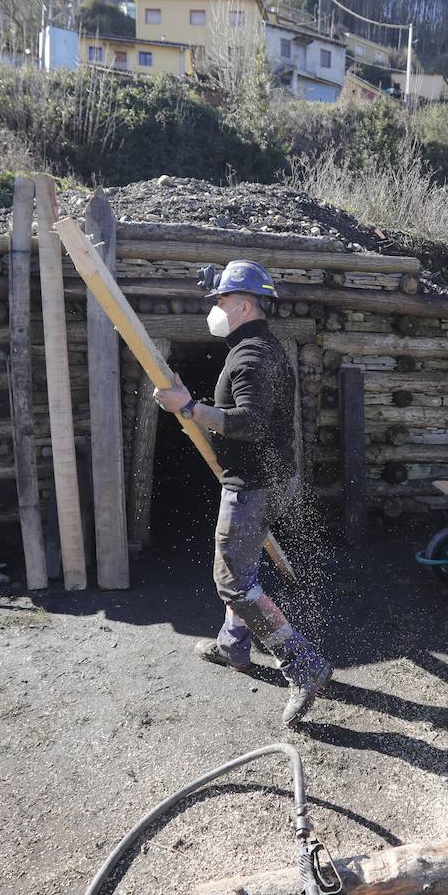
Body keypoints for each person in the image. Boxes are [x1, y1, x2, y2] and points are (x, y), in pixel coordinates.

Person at [153, 259, 333, 727]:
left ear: (246, 304)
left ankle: (303, 664)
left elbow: (249, 424)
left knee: (232, 581)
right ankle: (234, 646)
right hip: (274, 479)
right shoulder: (263, 347)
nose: (215, 307)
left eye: (222, 300)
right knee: (244, 567)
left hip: (252, 485)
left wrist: (190, 408)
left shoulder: (250, 356)